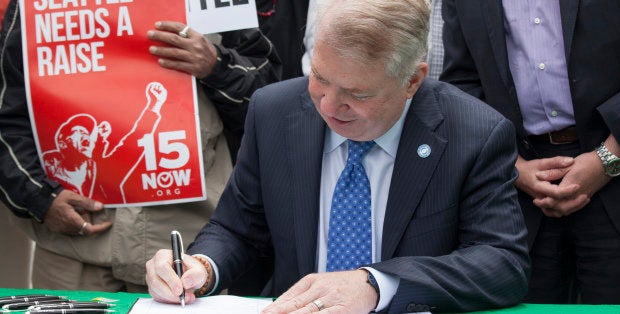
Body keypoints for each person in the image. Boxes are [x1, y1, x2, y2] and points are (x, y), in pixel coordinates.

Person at [145, 0, 530, 313]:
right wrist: (202, 267)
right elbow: (238, 227)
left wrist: (376, 284)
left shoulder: (474, 132)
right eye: (320, 78)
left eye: (357, 94)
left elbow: (501, 264)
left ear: (412, 80)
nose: (329, 106)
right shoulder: (275, 111)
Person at [0, 0, 280, 292]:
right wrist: (41, 198)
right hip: (73, 253)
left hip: (186, 251)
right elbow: (8, 114)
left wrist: (217, 66)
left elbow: (269, 97)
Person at [440, 0, 620, 304]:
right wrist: (512, 167)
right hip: (518, 186)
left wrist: (609, 157)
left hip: (617, 164)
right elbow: (463, 84)